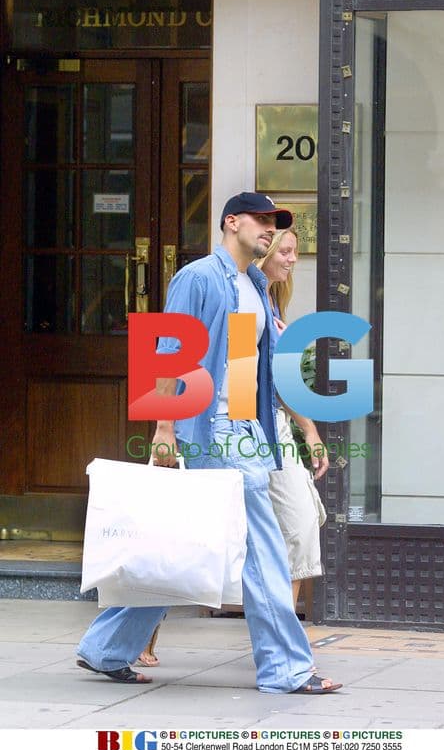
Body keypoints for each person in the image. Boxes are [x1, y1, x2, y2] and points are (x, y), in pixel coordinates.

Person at [76, 191, 342, 694]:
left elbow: (239, 370)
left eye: (274, 223)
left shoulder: (253, 285)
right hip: (212, 432)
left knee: (187, 541)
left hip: (241, 430)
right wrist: (164, 430)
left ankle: (105, 649)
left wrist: (261, 432)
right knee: (262, 550)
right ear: (230, 222)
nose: (268, 229)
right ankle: (286, 668)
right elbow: (169, 352)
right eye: (261, 220)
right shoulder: (199, 277)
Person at [257, 228, 328, 609]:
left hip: (272, 426)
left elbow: (280, 383)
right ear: (262, 253)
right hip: (236, 428)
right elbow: (238, 377)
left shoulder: (271, 303)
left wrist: (309, 431)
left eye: (294, 252)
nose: (293, 259)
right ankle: (142, 637)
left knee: (300, 527)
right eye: (285, 251)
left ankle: (285, 641)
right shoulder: (241, 300)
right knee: (197, 536)